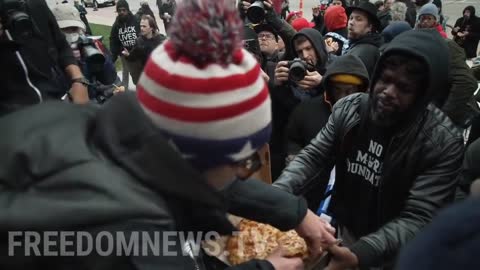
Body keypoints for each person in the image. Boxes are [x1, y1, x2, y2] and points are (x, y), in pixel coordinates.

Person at [0, 0, 337, 269]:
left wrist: (295, 212)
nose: (242, 172)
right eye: (242, 161)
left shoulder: (118, 133)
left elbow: (207, 183)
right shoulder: (125, 232)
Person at [273, 30, 464, 269]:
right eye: (384, 80)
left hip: (402, 253)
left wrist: (362, 254)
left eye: (404, 88)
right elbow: (312, 157)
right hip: (348, 229)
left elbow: (420, 217)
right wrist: (275, 198)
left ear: (425, 96)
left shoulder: (441, 142)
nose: (388, 92)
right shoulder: (350, 109)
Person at [285, 54, 369, 210]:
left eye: (350, 91)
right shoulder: (305, 110)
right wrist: (293, 156)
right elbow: (293, 138)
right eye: (338, 90)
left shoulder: (370, 117)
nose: (344, 98)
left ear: (361, 90)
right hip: (310, 195)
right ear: (329, 89)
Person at [0, 0, 89, 115]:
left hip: (56, 105)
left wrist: (79, 81)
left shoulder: (36, 4)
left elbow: (61, 45)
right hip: (11, 120)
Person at [271, 28, 328, 179]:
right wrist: (277, 86)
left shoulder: (334, 68)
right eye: (300, 51)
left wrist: (324, 82)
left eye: (309, 48)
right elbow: (280, 120)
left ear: (319, 47)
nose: (305, 56)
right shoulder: (292, 76)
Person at [52, 3, 120, 103]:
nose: (71, 34)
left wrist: (99, 58)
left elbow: (109, 78)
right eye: (65, 30)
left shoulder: (88, 46)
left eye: (74, 29)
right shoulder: (48, 55)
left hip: (91, 104)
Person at [123, 15, 166, 84]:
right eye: (141, 26)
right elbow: (134, 56)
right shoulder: (139, 41)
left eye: (144, 26)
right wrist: (128, 55)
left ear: (151, 28)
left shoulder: (161, 41)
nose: (141, 28)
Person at [344, 2, 383, 77]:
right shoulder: (358, 44)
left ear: (370, 27)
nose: (351, 22)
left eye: (358, 19)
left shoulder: (366, 52)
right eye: (351, 18)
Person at [110, 0, 140, 88]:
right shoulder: (116, 25)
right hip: (124, 54)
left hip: (137, 53)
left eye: (124, 10)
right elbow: (113, 40)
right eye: (119, 10)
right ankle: (125, 93)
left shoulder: (136, 20)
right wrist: (114, 54)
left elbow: (142, 35)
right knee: (125, 74)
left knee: (137, 74)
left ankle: (141, 91)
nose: (122, 12)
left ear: (128, 10)